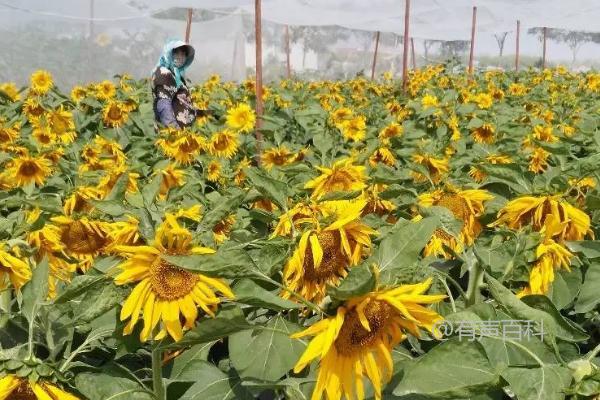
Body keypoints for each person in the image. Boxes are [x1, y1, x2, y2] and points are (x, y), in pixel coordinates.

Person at [152, 39, 207, 129]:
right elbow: (163, 105)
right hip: (175, 135)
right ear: (168, 53)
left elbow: (182, 103)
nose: (180, 57)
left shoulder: (177, 76)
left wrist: (209, 114)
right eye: (176, 53)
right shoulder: (164, 73)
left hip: (185, 130)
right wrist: (175, 131)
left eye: (183, 54)